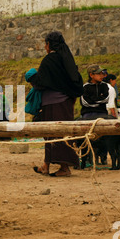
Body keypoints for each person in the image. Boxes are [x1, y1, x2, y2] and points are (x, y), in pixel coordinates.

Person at [27, 31, 83, 177]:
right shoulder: (67, 59)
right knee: (54, 134)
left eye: (45, 44)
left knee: (56, 134)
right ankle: (46, 165)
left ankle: (65, 168)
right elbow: (75, 80)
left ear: (49, 44)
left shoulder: (49, 61)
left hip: (52, 104)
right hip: (65, 103)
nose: (45, 47)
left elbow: (41, 83)